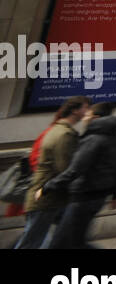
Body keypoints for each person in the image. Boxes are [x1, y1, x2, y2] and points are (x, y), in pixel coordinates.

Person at [42, 102, 116, 248]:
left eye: (87, 114)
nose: (84, 117)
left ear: (95, 117)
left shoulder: (93, 138)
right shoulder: (115, 136)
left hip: (83, 194)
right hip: (97, 195)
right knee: (73, 240)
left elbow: (76, 169)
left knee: (63, 243)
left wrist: (48, 186)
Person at [16, 96, 91, 249]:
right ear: (75, 110)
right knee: (31, 243)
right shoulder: (64, 134)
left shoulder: (58, 130)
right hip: (47, 197)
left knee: (65, 238)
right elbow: (66, 169)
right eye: (85, 108)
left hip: (51, 197)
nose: (87, 112)